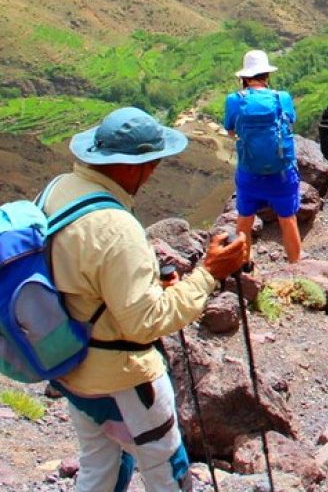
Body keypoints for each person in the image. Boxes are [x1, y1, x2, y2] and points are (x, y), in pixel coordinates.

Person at [47, 107, 247, 492]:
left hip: (70, 361)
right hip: (123, 375)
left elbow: (89, 280)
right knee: (166, 470)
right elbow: (146, 323)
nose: (155, 170)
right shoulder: (117, 228)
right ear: (129, 165)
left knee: (98, 469)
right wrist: (210, 273)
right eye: (151, 161)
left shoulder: (61, 189)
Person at [224, 49, 301, 263]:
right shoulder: (281, 97)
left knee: (244, 221)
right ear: (267, 75)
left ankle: (245, 268)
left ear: (244, 78)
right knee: (288, 220)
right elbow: (290, 120)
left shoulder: (234, 100)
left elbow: (230, 129)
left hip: (249, 171)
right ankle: (297, 269)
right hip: (282, 172)